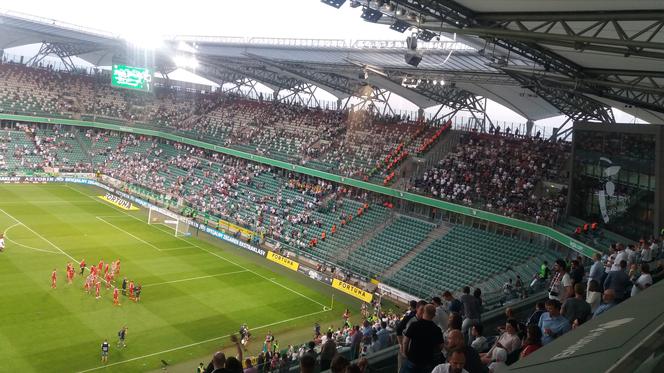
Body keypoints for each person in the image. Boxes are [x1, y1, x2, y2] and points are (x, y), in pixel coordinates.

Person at [401, 304, 444, 373]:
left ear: (423, 312)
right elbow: (441, 346)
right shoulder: (437, 329)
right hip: (427, 362)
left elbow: (405, 341)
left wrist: (405, 353)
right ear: (434, 315)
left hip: (412, 359)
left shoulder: (414, 325)